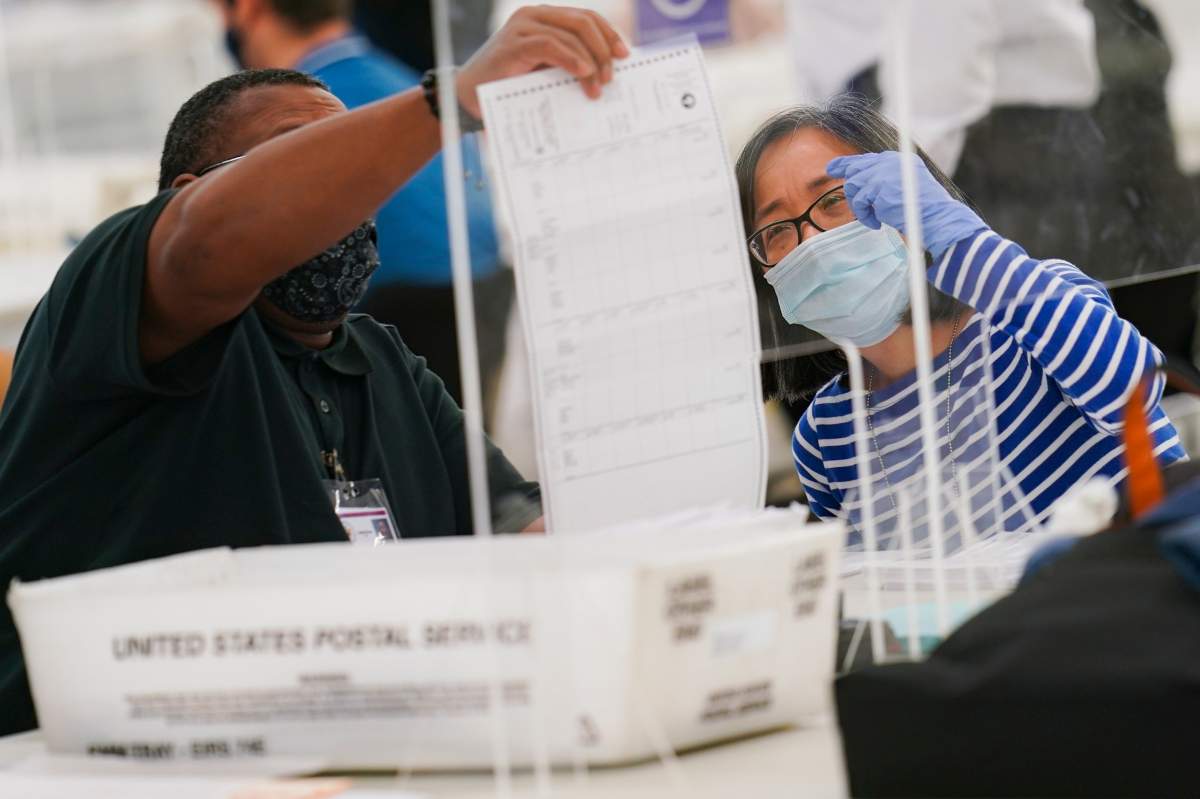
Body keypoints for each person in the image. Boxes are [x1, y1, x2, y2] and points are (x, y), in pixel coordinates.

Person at [0, 5, 627, 735]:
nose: (346, 200)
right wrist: (444, 102)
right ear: (186, 191)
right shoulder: (118, 297)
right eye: (305, 158)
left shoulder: (384, 365)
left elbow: (523, 536)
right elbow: (205, 242)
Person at [736, 95, 1186, 538]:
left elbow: (1134, 387)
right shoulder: (824, 437)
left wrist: (957, 237)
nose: (811, 241)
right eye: (776, 230)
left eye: (834, 200)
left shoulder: (1027, 311)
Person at [220, 0, 512, 414]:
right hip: (478, 315)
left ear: (248, 10)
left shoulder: (293, 112)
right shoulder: (406, 85)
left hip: (401, 329)